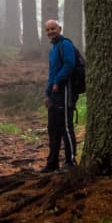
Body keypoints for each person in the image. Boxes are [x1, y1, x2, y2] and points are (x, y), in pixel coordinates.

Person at [41, 19, 78, 172]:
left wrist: (58, 81)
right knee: (53, 128)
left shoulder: (66, 45)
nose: (51, 32)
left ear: (59, 28)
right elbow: (51, 72)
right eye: (48, 30)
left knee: (65, 127)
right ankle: (52, 163)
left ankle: (70, 162)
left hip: (65, 90)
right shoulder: (53, 49)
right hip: (55, 93)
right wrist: (47, 94)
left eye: (53, 28)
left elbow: (70, 64)